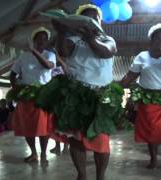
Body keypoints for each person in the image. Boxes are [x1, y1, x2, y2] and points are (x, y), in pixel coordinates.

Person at [44, 4, 118, 180]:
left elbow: (106, 53)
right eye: (86, 19)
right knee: (76, 139)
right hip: (75, 95)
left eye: (94, 19)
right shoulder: (73, 40)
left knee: (101, 140)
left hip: (100, 96)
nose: (91, 22)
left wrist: (91, 39)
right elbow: (62, 52)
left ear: (100, 22)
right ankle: (82, 175)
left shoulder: (108, 39)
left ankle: (100, 176)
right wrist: (61, 33)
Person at [121, 23, 161, 171]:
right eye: (157, 39)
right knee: (152, 133)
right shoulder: (142, 56)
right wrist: (117, 88)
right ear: (151, 41)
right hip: (149, 100)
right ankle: (154, 159)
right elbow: (131, 75)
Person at [9, 26, 56, 163]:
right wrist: (16, 90)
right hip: (26, 95)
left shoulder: (49, 54)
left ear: (47, 41)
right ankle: (33, 153)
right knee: (27, 126)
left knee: (43, 126)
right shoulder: (23, 56)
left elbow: (48, 66)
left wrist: (34, 51)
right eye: (39, 38)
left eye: (44, 39)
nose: (42, 41)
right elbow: (12, 74)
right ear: (34, 40)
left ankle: (43, 154)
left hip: (43, 95)